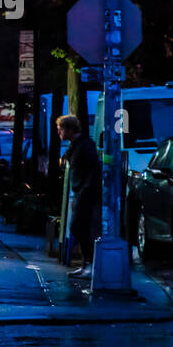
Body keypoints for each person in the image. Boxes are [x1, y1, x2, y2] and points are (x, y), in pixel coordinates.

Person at [58, 114, 101, 279]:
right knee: (77, 227)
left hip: (85, 192)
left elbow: (93, 167)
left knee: (81, 227)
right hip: (80, 191)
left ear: (69, 129)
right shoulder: (76, 145)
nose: (59, 132)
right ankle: (85, 264)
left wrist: (86, 188)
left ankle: (89, 263)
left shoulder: (84, 145)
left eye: (60, 129)